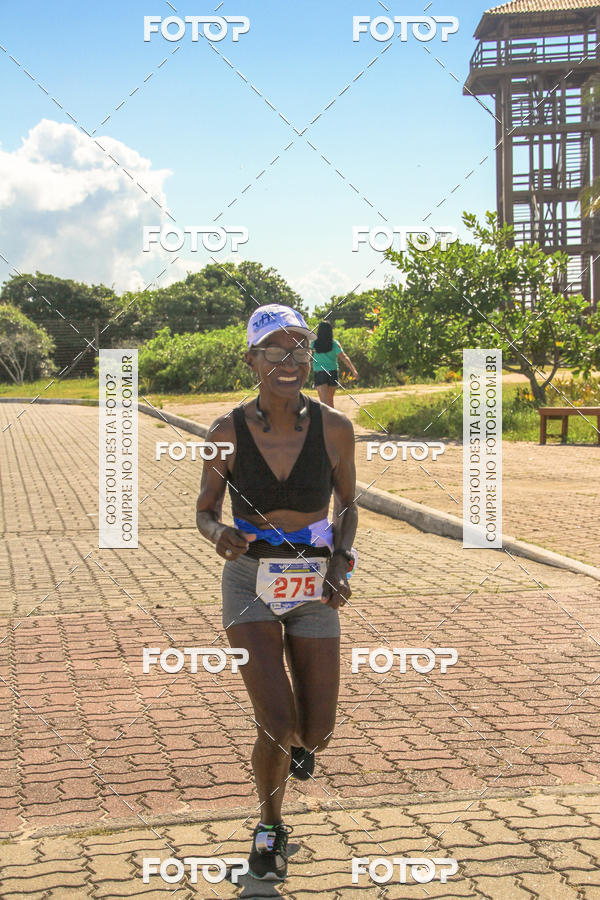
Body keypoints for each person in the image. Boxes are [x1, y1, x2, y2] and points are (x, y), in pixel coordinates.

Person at [196, 304, 358, 882]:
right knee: (275, 719)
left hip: (314, 583)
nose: (289, 361)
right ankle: (269, 828)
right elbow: (204, 511)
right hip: (249, 582)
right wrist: (219, 534)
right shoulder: (224, 432)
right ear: (252, 359)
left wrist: (342, 560)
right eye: (275, 350)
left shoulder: (335, 429)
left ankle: (300, 745)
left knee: (317, 731)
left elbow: (348, 506)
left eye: (299, 349)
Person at [311, 321, 358, 408]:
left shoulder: (314, 343)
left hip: (320, 373)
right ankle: (332, 417)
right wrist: (354, 370)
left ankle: (325, 417)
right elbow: (344, 357)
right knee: (330, 401)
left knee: (324, 403)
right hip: (332, 373)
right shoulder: (335, 343)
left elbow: (306, 355)